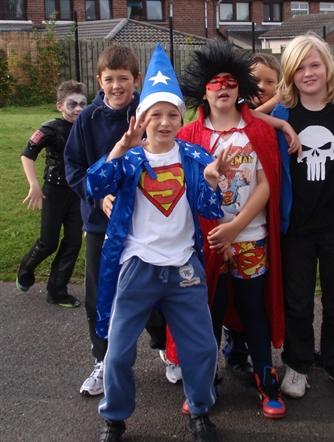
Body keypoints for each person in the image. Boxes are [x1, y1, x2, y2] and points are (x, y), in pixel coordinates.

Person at [88, 45, 224, 442]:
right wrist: (120, 148)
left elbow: (209, 207)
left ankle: (200, 410)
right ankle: (115, 417)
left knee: (201, 348)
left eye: (172, 114)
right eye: (155, 114)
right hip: (138, 266)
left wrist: (212, 181)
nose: (164, 122)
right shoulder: (130, 159)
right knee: (117, 351)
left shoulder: (194, 157)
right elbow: (94, 186)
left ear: (181, 118)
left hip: (183, 267)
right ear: (141, 118)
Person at [173, 40, 286, 419]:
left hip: (250, 237)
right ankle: (204, 382)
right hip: (206, 243)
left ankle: (266, 379)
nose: (222, 87)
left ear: (241, 87)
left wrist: (236, 226)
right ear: (203, 90)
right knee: (209, 311)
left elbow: (267, 184)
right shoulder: (189, 135)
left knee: (254, 310)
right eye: (214, 82)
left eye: (230, 81)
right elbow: (183, 188)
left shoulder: (258, 132)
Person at [272, 33, 334, 399]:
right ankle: (297, 363)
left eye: (314, 64)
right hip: (296, 226)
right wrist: (281, 121)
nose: (308, 73)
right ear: (289, 74)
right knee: (297, 301)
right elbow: (246, 115)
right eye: (298, 68)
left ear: (328, 67)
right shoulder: (282, 113)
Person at [64, 45, 166, 397]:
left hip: (143, 222)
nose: (116, 86)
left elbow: (164, 158)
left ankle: (164, 345)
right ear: (99, 81)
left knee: (151, 288)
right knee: (100, 293)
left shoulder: (148, 113)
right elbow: (74, 168)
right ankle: (103, 358)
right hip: (100, 223)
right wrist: (98, 195)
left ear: (136, 79)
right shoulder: (87, 120)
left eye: (123, 78)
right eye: (109, 79)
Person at [221, 52, 283, 376]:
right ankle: (233, 349)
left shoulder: (271, 119)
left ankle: (259, 362)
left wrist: (281, 115)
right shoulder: (237, 114)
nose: (262, 87)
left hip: (259, 223)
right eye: (255, 79)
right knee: (223, 298)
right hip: (224, 228)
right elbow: (250, 115)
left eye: (270, 82)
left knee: (255, 298)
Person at [16, 80, 86, 308]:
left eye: (82, 104)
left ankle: (57, 291)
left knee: (73, 242)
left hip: (77, 192)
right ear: (60, 105)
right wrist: (34, 184)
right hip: (53, 193)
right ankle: (25, 269)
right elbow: (27, 154)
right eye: (72, 104)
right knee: (48, 242)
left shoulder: (86, 127)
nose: (78, 109)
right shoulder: (50, 128)